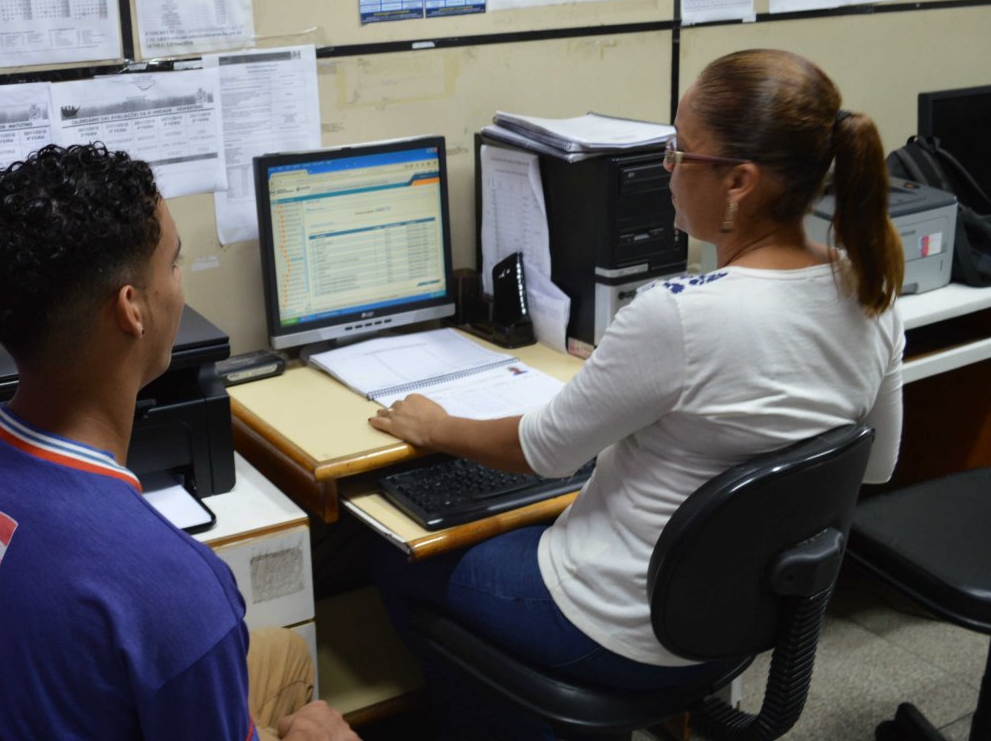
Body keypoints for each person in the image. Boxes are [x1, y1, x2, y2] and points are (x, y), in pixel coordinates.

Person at [368, 49, 907, 738]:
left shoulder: (678, 317)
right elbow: (880, 462)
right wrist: (627, 381)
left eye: (681, 152)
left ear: (740, 181)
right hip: (736, 621)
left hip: (619, 624)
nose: (667, 168)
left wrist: (437, 427)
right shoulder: (871, 292)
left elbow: (544, 452)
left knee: (394, 547)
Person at [0, 143, 358, 741]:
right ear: (131, 308)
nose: (180, 283)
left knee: (283, 656)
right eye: (174, 263)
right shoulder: (178, 589)